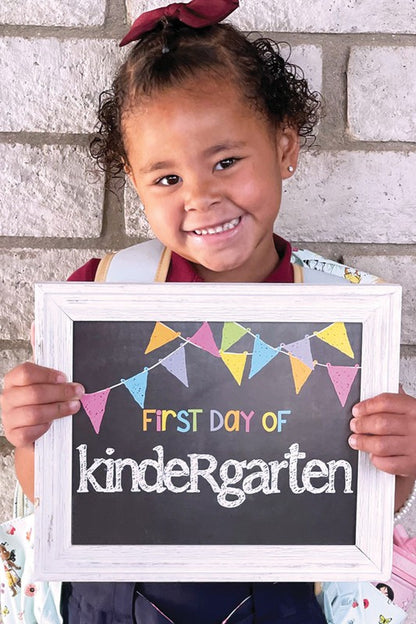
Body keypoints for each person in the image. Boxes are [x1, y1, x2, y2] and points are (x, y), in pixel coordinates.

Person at [2, 0, 416, 621]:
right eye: (166, 179)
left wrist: (401, 457)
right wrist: (30, 433)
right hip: (117, 598)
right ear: (133, 184)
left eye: (226, 162)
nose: (201, 198)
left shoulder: (342, 312)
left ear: (284, 147)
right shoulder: (104, 297)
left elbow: (364, 504)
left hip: (285, 597)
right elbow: (57, 492)